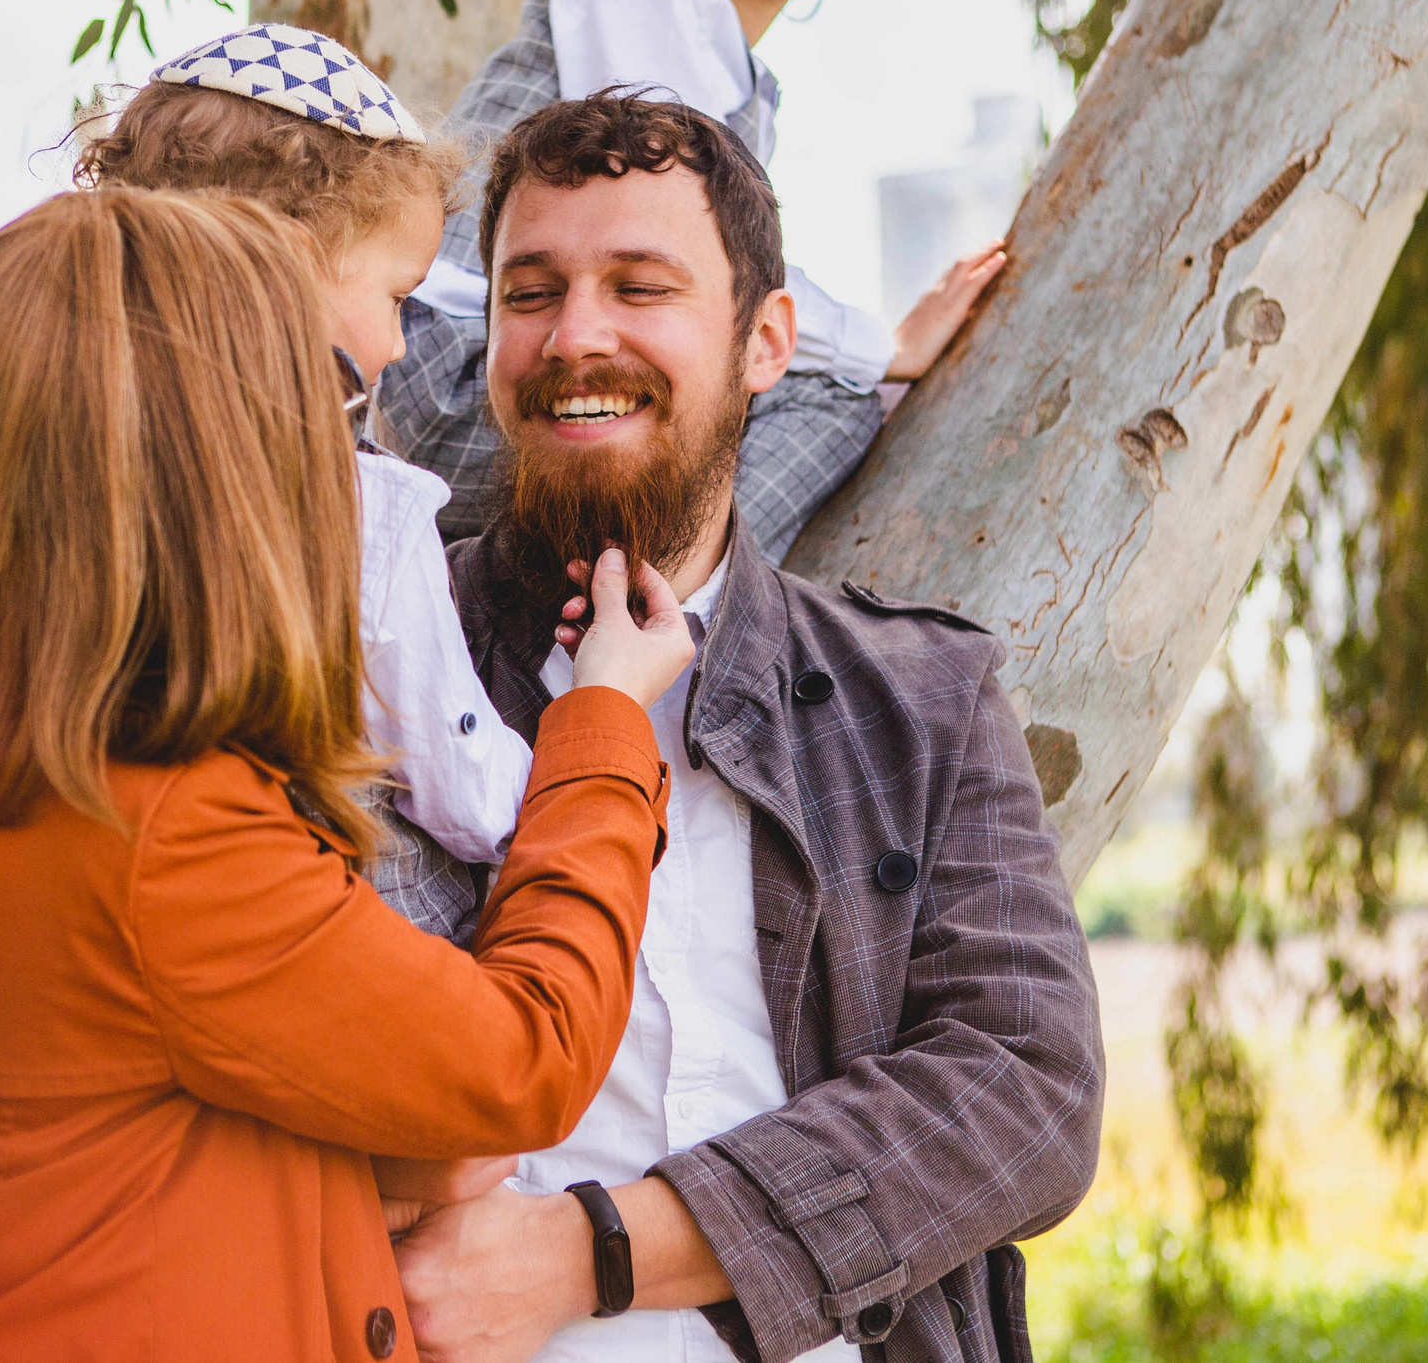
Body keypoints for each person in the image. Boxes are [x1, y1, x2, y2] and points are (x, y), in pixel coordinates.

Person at [0, 186, 699, 1361]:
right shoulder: (159, 835)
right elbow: (523, 1057)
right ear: (207, 476)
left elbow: (141, 1106)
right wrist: (604, 722)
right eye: (331, 403)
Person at [392, 96, 1105, 1363]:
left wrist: (590, 1251)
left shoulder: (922, 698)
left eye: (640, 286)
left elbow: (1026, 1093)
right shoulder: (374, 657)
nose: (576, 338)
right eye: (530, 293)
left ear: (765, 341)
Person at [378, 0, 1009, 552]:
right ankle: (683, 608)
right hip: (457, 377)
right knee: (833, 393)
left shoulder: (732, 69)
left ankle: (610, 599)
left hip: (493, 382)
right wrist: (881, 346)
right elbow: (708, 240)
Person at [74, 23, 542, 940]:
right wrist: (595, 737)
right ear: (283, 264)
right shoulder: (358, 505)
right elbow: (474, 796)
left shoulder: (78, 455)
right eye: (397, 297)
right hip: (362, 943)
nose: (404, 344)